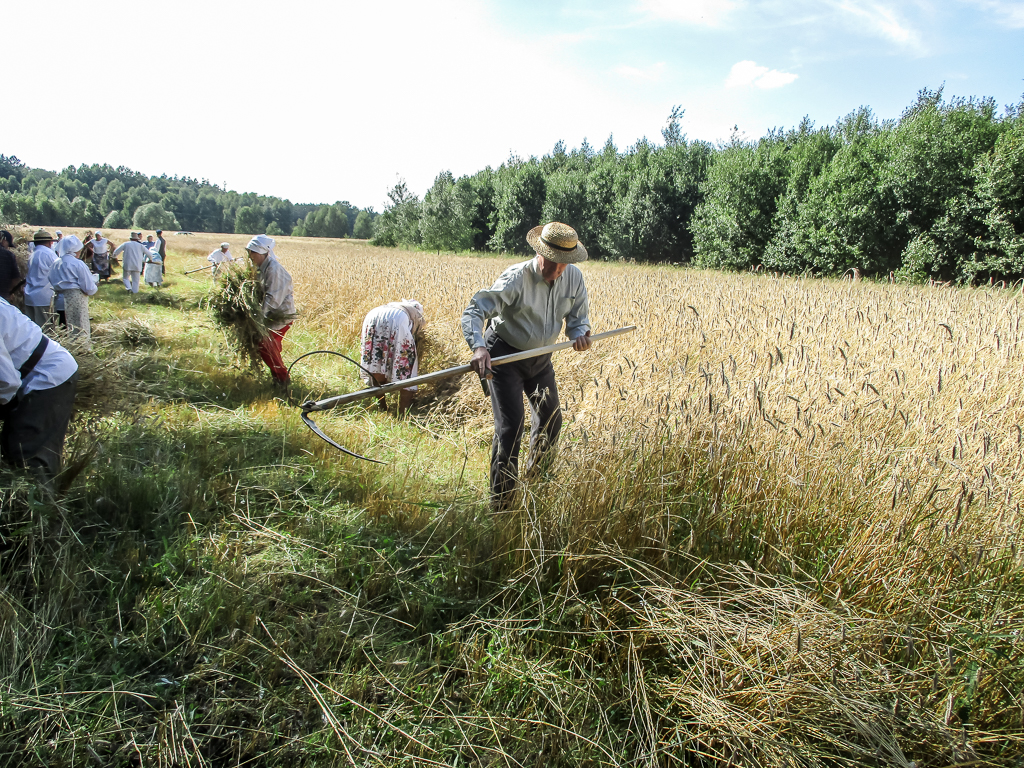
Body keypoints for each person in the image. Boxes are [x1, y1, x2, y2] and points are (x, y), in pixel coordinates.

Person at [461, 221, 592, 510]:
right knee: (511, 427)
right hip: (505, 356)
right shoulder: (516, 278)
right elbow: (474, 310)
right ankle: (502, 504)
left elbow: (577, 319)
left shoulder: (574, 279)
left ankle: (536, 486)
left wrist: (580, 334)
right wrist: (479, 346)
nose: (558, 271)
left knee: (551, 420)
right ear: (540, 253)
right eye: (554, 263)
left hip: (541, 359)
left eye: (564, 265)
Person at [0, 298, 79, 482]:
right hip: (25, 376)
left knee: (29, 458)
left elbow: (7, 382)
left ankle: (44, 507)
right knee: (10, 450)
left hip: (47, 377)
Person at [245, 235, 295, 388]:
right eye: (249, 252)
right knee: (271, 346)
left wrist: (257, 317)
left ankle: (282, 379)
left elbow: (273, 299)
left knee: (265, 345)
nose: (250, 256)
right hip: (270, 315)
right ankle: (278, 374)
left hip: (280, 316)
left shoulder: (273, 269)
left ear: (262, 252)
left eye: (253, 252)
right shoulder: (261, 267)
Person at [360, 300, 425, 413]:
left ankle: (382, 407)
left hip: (372, 316)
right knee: (406, 368)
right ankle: (402, 412)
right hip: (397, 319)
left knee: (376, 363)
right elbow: (415, 337)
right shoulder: (416, 314)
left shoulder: (396, 305)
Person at [49, 235, 98, 348]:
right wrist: (94, 287)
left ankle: (64, 348)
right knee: (78, 326)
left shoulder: (56, 263)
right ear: (76, 250)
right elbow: (88, 287)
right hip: (75, 299)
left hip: (59, 299)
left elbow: (50, 279)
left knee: (62, 326)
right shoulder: (77, 264)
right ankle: (80, 349)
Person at [23, 230, 60, 327]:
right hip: (44, 297)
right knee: (46, 329)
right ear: (49, 242)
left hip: (30, 296)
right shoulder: (49, 254)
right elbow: (59, 271)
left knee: (32, 328)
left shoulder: (32, 254)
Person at [0, 231, 21, 303]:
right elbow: (15, 278)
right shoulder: (8, 255)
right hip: (2, 296)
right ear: (3, 240)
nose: (7, 247)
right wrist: (9, 290)